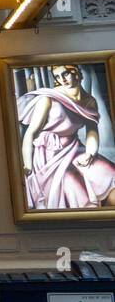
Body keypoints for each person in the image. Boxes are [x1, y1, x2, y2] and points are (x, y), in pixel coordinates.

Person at [18, 64, 115, 210]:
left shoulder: (89, 101)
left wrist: (89, 153)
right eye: (57, 77)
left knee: (108, 171)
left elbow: (92, 131)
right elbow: (30, 134)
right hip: (49, 156)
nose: (62, 79)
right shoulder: (49, 99)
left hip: (74, 148)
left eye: (65, 74)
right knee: (74, 185)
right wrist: (27, 165)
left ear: (77, 73)